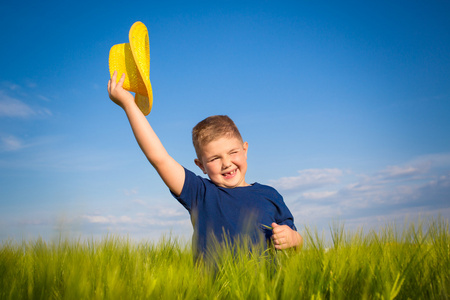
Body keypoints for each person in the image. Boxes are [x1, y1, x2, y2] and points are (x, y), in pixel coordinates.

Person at [108, 71, 303, 259]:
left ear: (245, 150)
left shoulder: (270, 195)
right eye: (214, 158)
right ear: (200, 165)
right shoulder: (200, 193)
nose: (226, 163)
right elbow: (160, 158)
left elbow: (296, 241)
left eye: (233, 152)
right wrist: (128, 104)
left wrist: (293, 238)